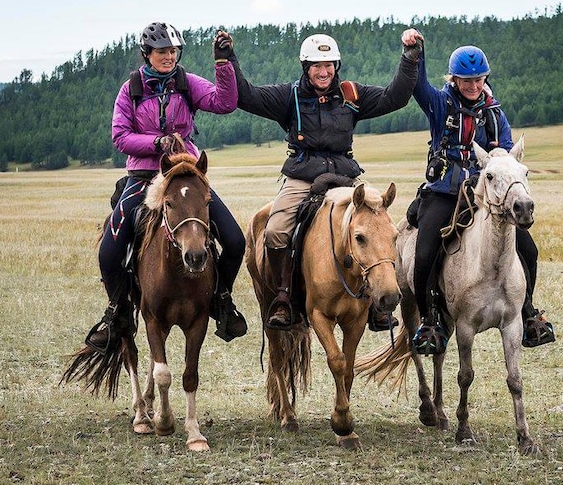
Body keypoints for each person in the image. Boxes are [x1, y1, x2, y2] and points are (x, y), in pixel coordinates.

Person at [226, 31, 422, 330]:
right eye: (317, 65)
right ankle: (284, 296)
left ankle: (376, 303)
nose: (324, 71)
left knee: (378, 227)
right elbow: (246, 95)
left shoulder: (350, 94)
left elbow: (394, 97)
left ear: (337, 66)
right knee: (277, 230)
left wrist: (409, 58)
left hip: (346, 176)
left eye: (329, 64)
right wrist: (229, 59)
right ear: (306, 67)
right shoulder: (288, 96)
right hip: (302, 174)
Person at [85, 22, 247, 354]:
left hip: (186, 177)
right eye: (162, 52)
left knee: (234, 239)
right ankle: (117, 312)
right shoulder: (130, 89)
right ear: (147, 54)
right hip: (144, 178)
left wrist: (223, 64)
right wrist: (156, 142)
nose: (169, 57)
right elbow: (120, 136)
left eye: (173, 51)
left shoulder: (187, 84)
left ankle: (222, 300)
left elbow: (225, 102)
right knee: (109, 252)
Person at [401, 28, 556, 355]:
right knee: (426, 251)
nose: (472, 86)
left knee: (528, 251)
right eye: (465, 81)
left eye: (478, 80)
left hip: (488, 197)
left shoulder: (495, 114)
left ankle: (527, 312)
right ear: (454, 80)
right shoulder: (440, 104)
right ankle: (431, 320)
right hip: (445, 192)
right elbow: (418, 87)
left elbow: (509, 153)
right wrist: (415, 54)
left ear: (485, 78)